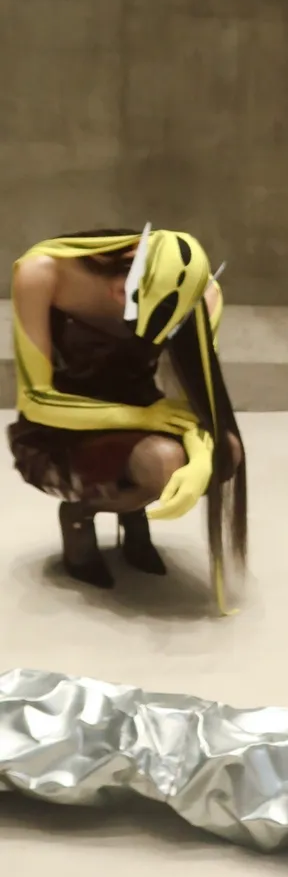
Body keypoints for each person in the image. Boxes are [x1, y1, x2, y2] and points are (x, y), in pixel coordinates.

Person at [9, 227, 246, 609]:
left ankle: (132, 509)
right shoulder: (43, 271)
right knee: (164, 462)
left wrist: (202, 456)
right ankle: (81, 511)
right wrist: (144, 417)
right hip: (63, 423)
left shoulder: (203, 294)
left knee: (227, 452)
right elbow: (36, 401)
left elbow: (196, 402)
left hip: (143, 410)